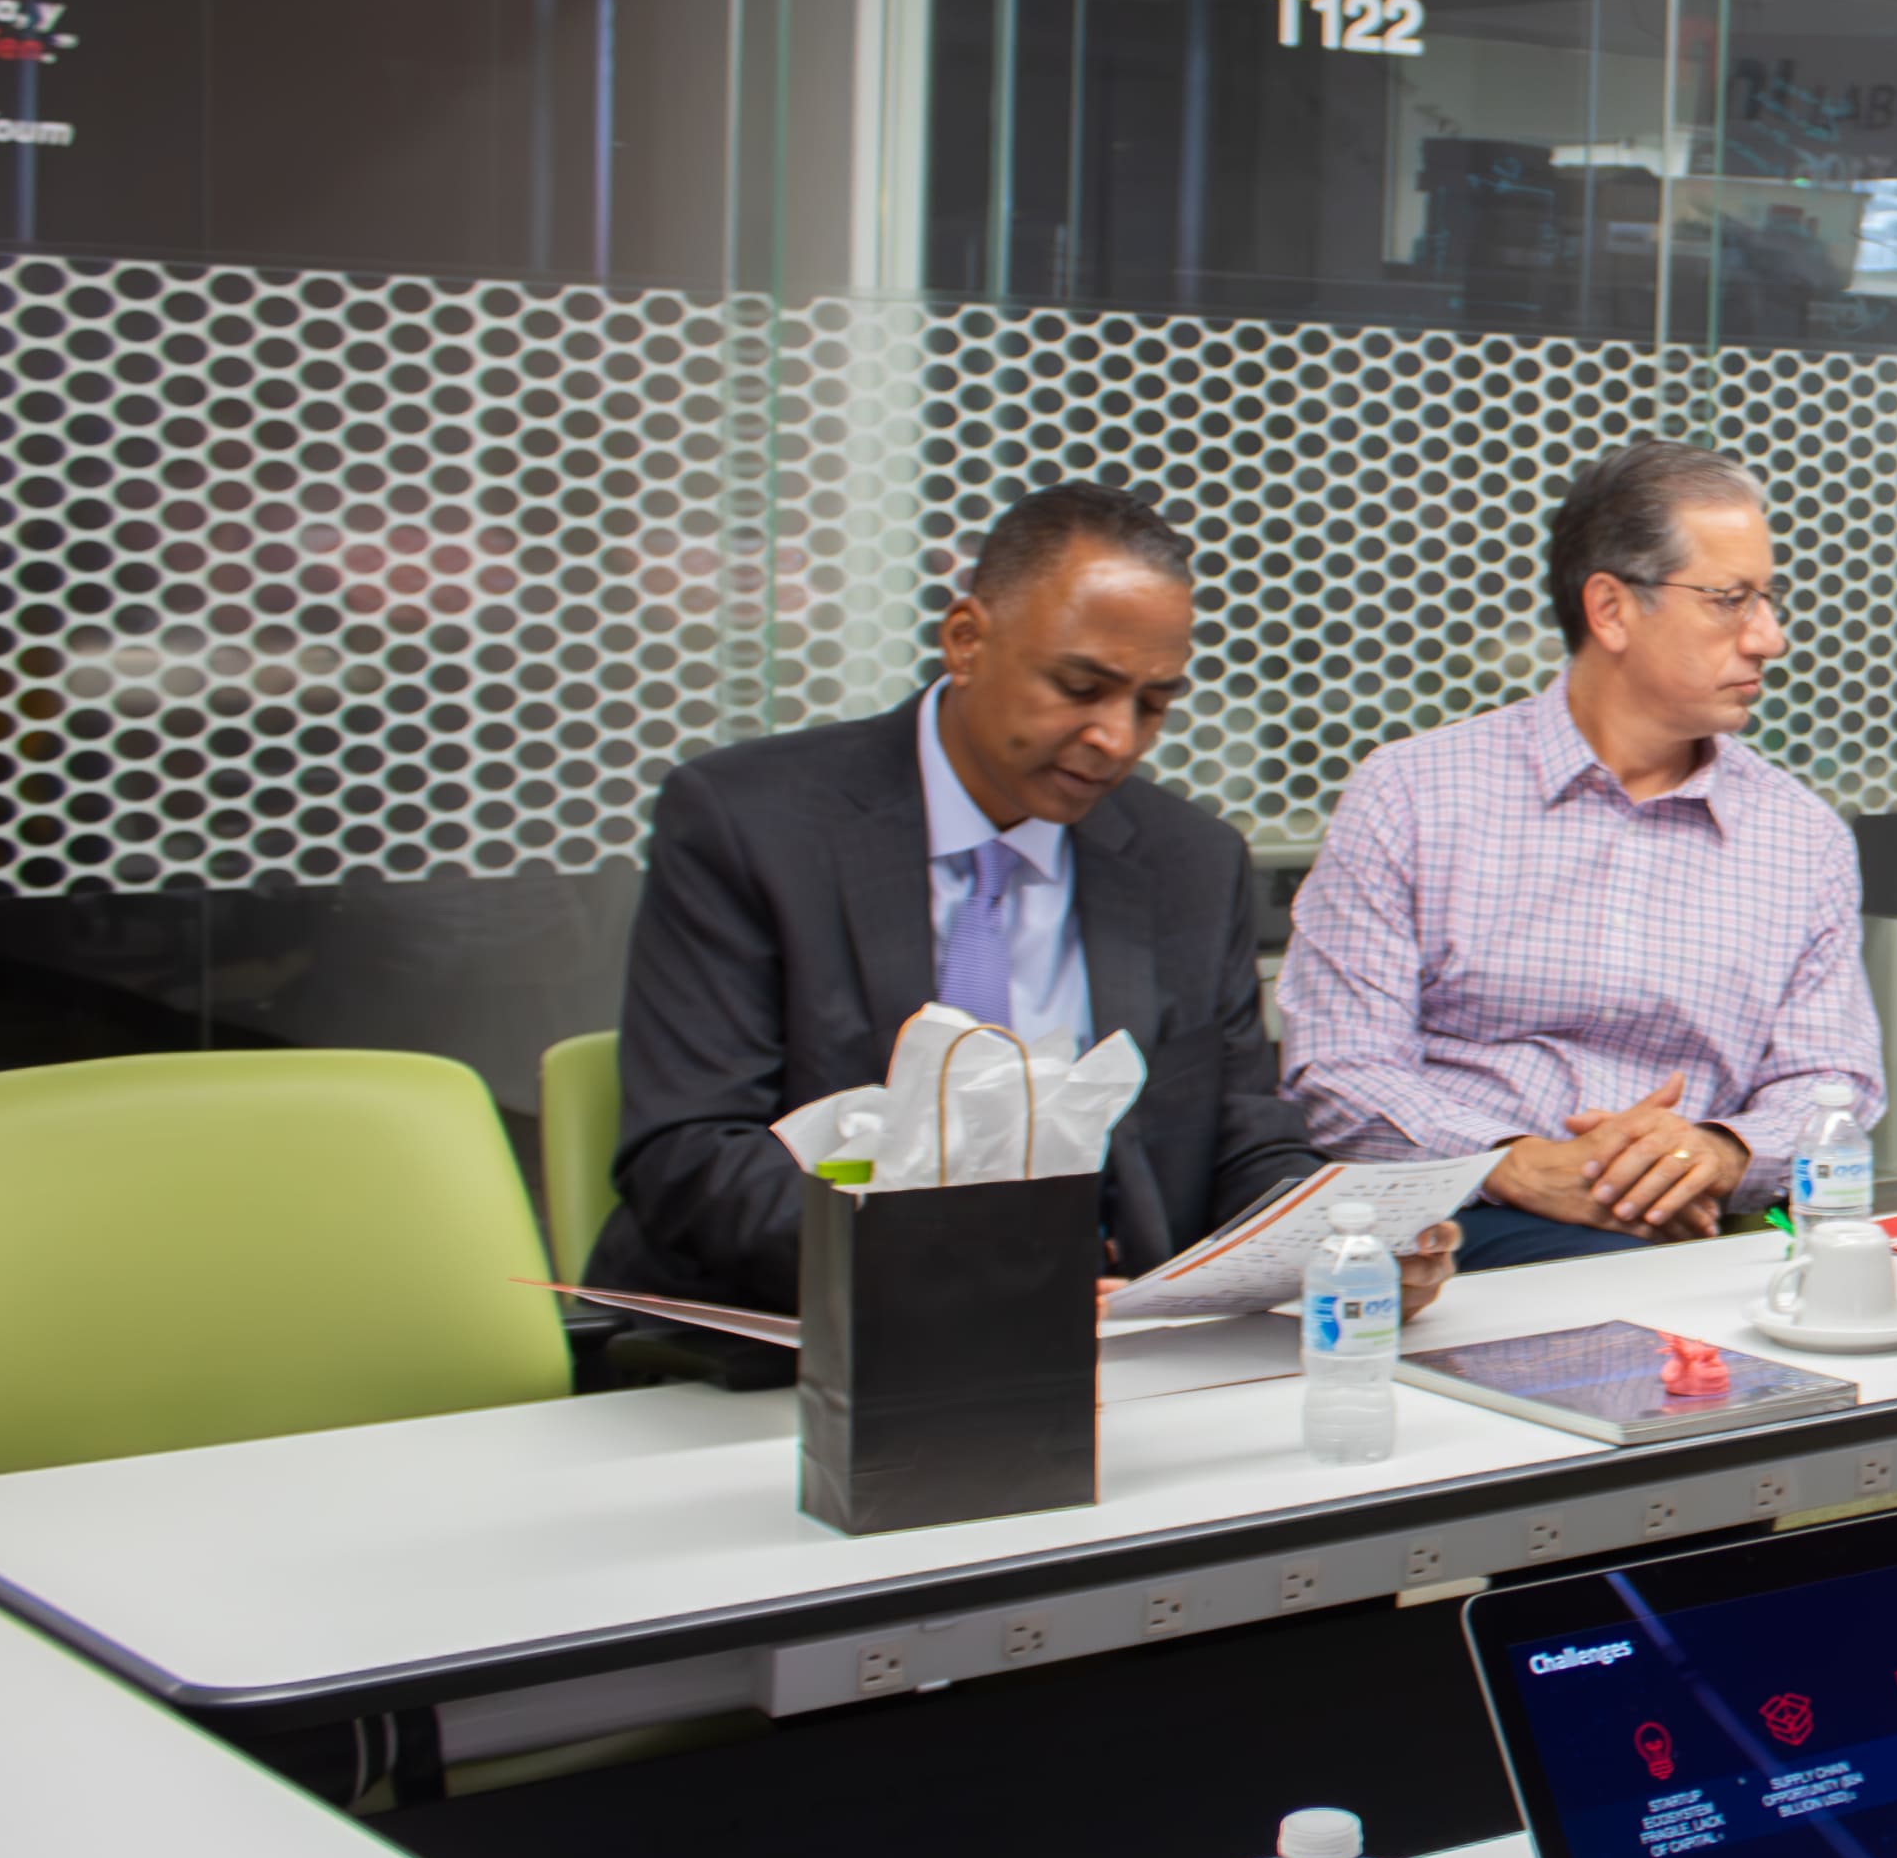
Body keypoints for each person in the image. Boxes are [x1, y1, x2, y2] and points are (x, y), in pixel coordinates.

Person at [589, 482, 1453, 1337]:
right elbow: (691, 1154)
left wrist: (1340, 1242)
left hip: (1109, 1349)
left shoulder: (1187, 861)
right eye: (1080, 688)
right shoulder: (753, 825)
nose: (1117, 738)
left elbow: (1239, 1137)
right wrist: (975, 1270)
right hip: (791, 1341)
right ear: (966, 640)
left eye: (1152, 705)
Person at [1282, 440, 1878, 1271]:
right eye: (1729, 601)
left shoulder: (1801, 838)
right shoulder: (1415, 793)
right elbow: (1340, 1072)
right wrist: (1513, 1165)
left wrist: (1718, 1152)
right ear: (1611, 609)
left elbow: (1834, 1083)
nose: (1769, 638)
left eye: (1768, 599)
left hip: (1684, 1239)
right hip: (1457, 1235)